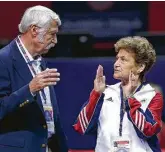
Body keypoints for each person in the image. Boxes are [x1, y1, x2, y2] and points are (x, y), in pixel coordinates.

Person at [73, 36, 163, 152]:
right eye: (117, 59)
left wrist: (130, 97)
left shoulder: (152, 95)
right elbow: (81, 127)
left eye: (123, 60)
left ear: (140, 67)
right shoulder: (104, 93)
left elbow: (147, 131)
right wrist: (96, 94)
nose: (116, 64)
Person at [0, 5, 68, 152]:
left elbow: (49, 113)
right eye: (52, 34)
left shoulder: (39, 61)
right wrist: (30, 89)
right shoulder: (3, 60)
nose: (55, 41)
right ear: (34, 30)